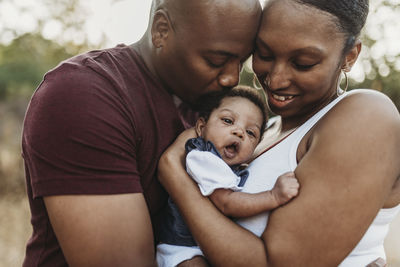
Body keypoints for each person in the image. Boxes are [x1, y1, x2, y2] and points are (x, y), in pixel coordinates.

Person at [157, 0, 400, 266]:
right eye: (265, 54)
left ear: (349, 56)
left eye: (303, 63)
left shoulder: (367, 115)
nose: (275, 79)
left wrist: (175, 176)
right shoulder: (267, 129)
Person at [21, 0, 262, 266]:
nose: (232, 78)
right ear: (161, 30)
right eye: (216, 60)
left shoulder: (211, 105)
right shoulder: (84, 96)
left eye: (241, 61)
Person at [156, 87, 299, 267]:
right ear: (201, 127)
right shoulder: (203, 158)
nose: (239, 132)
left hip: (201, 248)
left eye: (250, 133)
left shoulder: (227, 167)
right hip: (182, 249)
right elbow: (227, 203)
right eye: (227, 120)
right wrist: (273, 196)